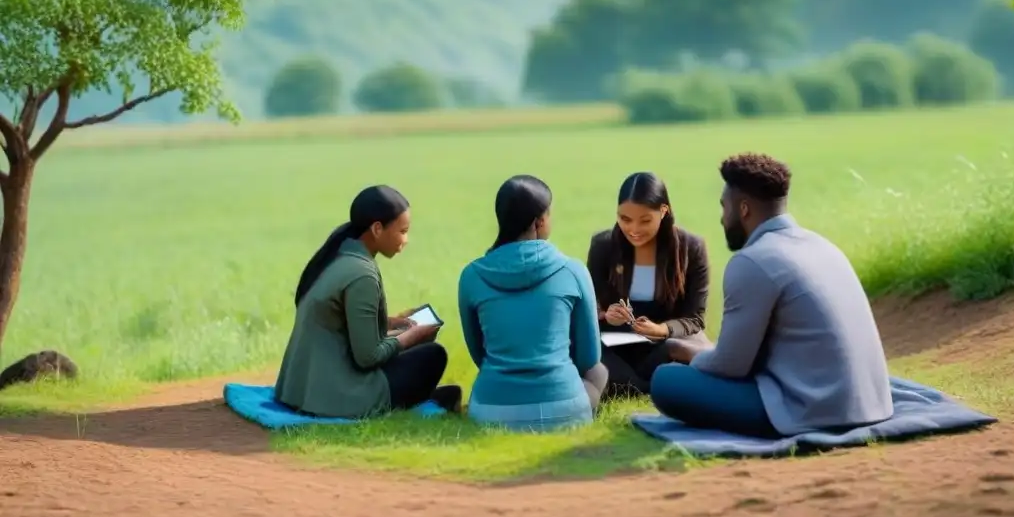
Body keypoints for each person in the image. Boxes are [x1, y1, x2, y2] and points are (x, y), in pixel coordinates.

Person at [650, 153, 894, 438]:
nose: (722, 218)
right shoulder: (823, 246)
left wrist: (692, 352)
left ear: (743, 209)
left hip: (809, 411)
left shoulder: (752, 261)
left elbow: (731, 367)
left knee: (666, 380)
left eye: (723, 207)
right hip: (869, 404)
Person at [275, 185, 462, 420]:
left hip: (301, 389)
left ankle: (434, 395)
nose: (406, 240)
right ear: (377, 228)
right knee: (433, 355)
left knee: (409, 342)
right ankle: (428, 398)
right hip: (336, 396)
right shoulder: (362, 274)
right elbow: (368, 357)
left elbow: (341, 324)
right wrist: (410, 337)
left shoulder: (339, 255)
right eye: (402, 231)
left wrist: (393, 323)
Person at [458, 175, 608, 432]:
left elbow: (478, 352)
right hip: (563, 409)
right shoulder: (573, 271)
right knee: (600, 372)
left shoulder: (471, 276)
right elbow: (589, 358)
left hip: (491, 412)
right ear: (539, 222)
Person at [586, 172, 712, 398]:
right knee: (581, 347)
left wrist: (662, 329)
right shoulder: (603, 246)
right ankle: (646, 386)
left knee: (687, 349)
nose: (633, 229)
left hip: (667, 344)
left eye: (645, 221)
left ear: (663, 212)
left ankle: (631, 386)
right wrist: (606, 315)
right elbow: (593, 308)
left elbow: (695, 319)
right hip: (617, 346)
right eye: (625, 219)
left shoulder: (691, 248)